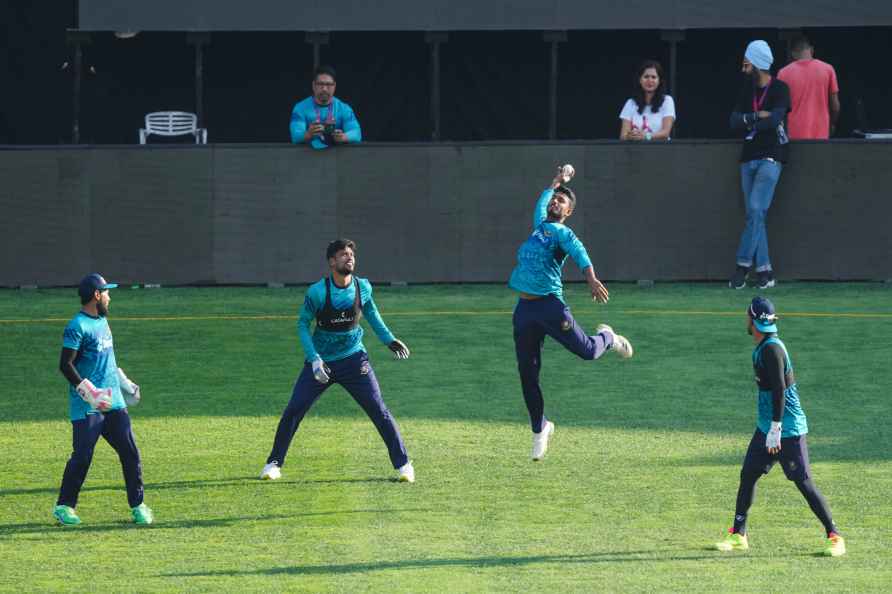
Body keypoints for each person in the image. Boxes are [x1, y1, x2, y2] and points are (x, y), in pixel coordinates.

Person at [260, 239, 415, 482]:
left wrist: (389, 340)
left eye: (351, 254)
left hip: (354, 361)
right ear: (332, 261)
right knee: (294, 410)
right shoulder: (317, 292)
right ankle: (273, 464)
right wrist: (314, 360)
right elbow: (302, 324)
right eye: (343, 255)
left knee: (379, 410)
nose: (349, 258)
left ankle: (404, 465)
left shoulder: (363, 287)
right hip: (322, 364)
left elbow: (372, 313)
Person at [508, 164, 634, 462]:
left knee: (588, 351)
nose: (555, 202)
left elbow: (580, 253)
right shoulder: (540, 225)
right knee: (527, 374)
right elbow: (541, 200)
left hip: (550, 306)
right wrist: (557, 182)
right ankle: (540, 428)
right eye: (555, 199)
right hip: (524, 310)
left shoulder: (563, 233)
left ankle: (608, 337)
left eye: (561, 201)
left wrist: (591, 278)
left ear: (568, 212)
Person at [714, 296, 845, 557]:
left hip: (788, 430)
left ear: (753, 321)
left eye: (747, 317)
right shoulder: (763, 347)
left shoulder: (772, 350)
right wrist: (769, 428)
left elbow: (780, 391)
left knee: (804, 482)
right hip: (767, 427)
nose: (746, 321)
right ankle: (739, 534)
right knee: (748, 474)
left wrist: (776, 430)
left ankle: (835, 536)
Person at [53, 273, 153, 526]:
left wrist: (124, 382)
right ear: (96, 295)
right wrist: (91, 393)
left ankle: (138, 505)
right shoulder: (77, 326)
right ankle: (64, 507)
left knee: (130, 453)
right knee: (83, 456)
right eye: (107, 292)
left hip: (115, 403)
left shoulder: (103, 322)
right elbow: (65, 365)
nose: (110, 297)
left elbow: (108, 359)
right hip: (87, 406)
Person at [728, 40, 791, 290]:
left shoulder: (780, 89)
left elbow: (775, 119)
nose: (743, 63)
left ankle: (742, 267)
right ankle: (765, 272)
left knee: (755, 210)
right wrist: (756, 116)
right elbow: (733, 121)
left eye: (747, 59)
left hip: (771, 156)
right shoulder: (747, 89)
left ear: (757, 62)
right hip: (748, 156)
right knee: (756, 215)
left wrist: (751, 120)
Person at [778, 36, 840, 139]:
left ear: (793, 53)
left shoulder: (783, 73)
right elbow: (835, 106)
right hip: (821, 134)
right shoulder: (828, 69)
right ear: (811, 50)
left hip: (794, 135)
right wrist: (832, 123)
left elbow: (779, 109)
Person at [289, 65, 362, 149]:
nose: (324, 88)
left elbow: (357, 134)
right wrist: (308, 134)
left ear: (334, 86)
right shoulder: (300, 108)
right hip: (307, 159)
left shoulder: (344, 108)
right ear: (313, 85)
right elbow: (295, 136)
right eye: (320, 84)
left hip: (337, 158)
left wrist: (343, 137)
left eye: (328, 84)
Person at [619, 60, 676, 141]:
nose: (650, 80)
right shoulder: (630, 103)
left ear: (659, 81)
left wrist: (645, 136)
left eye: (653, 77)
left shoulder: (667, 101)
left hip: (662, 151)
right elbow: (623, 136)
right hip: (636, 152)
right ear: (640, 80)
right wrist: (630, 136)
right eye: (646, 77)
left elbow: (665, 133)